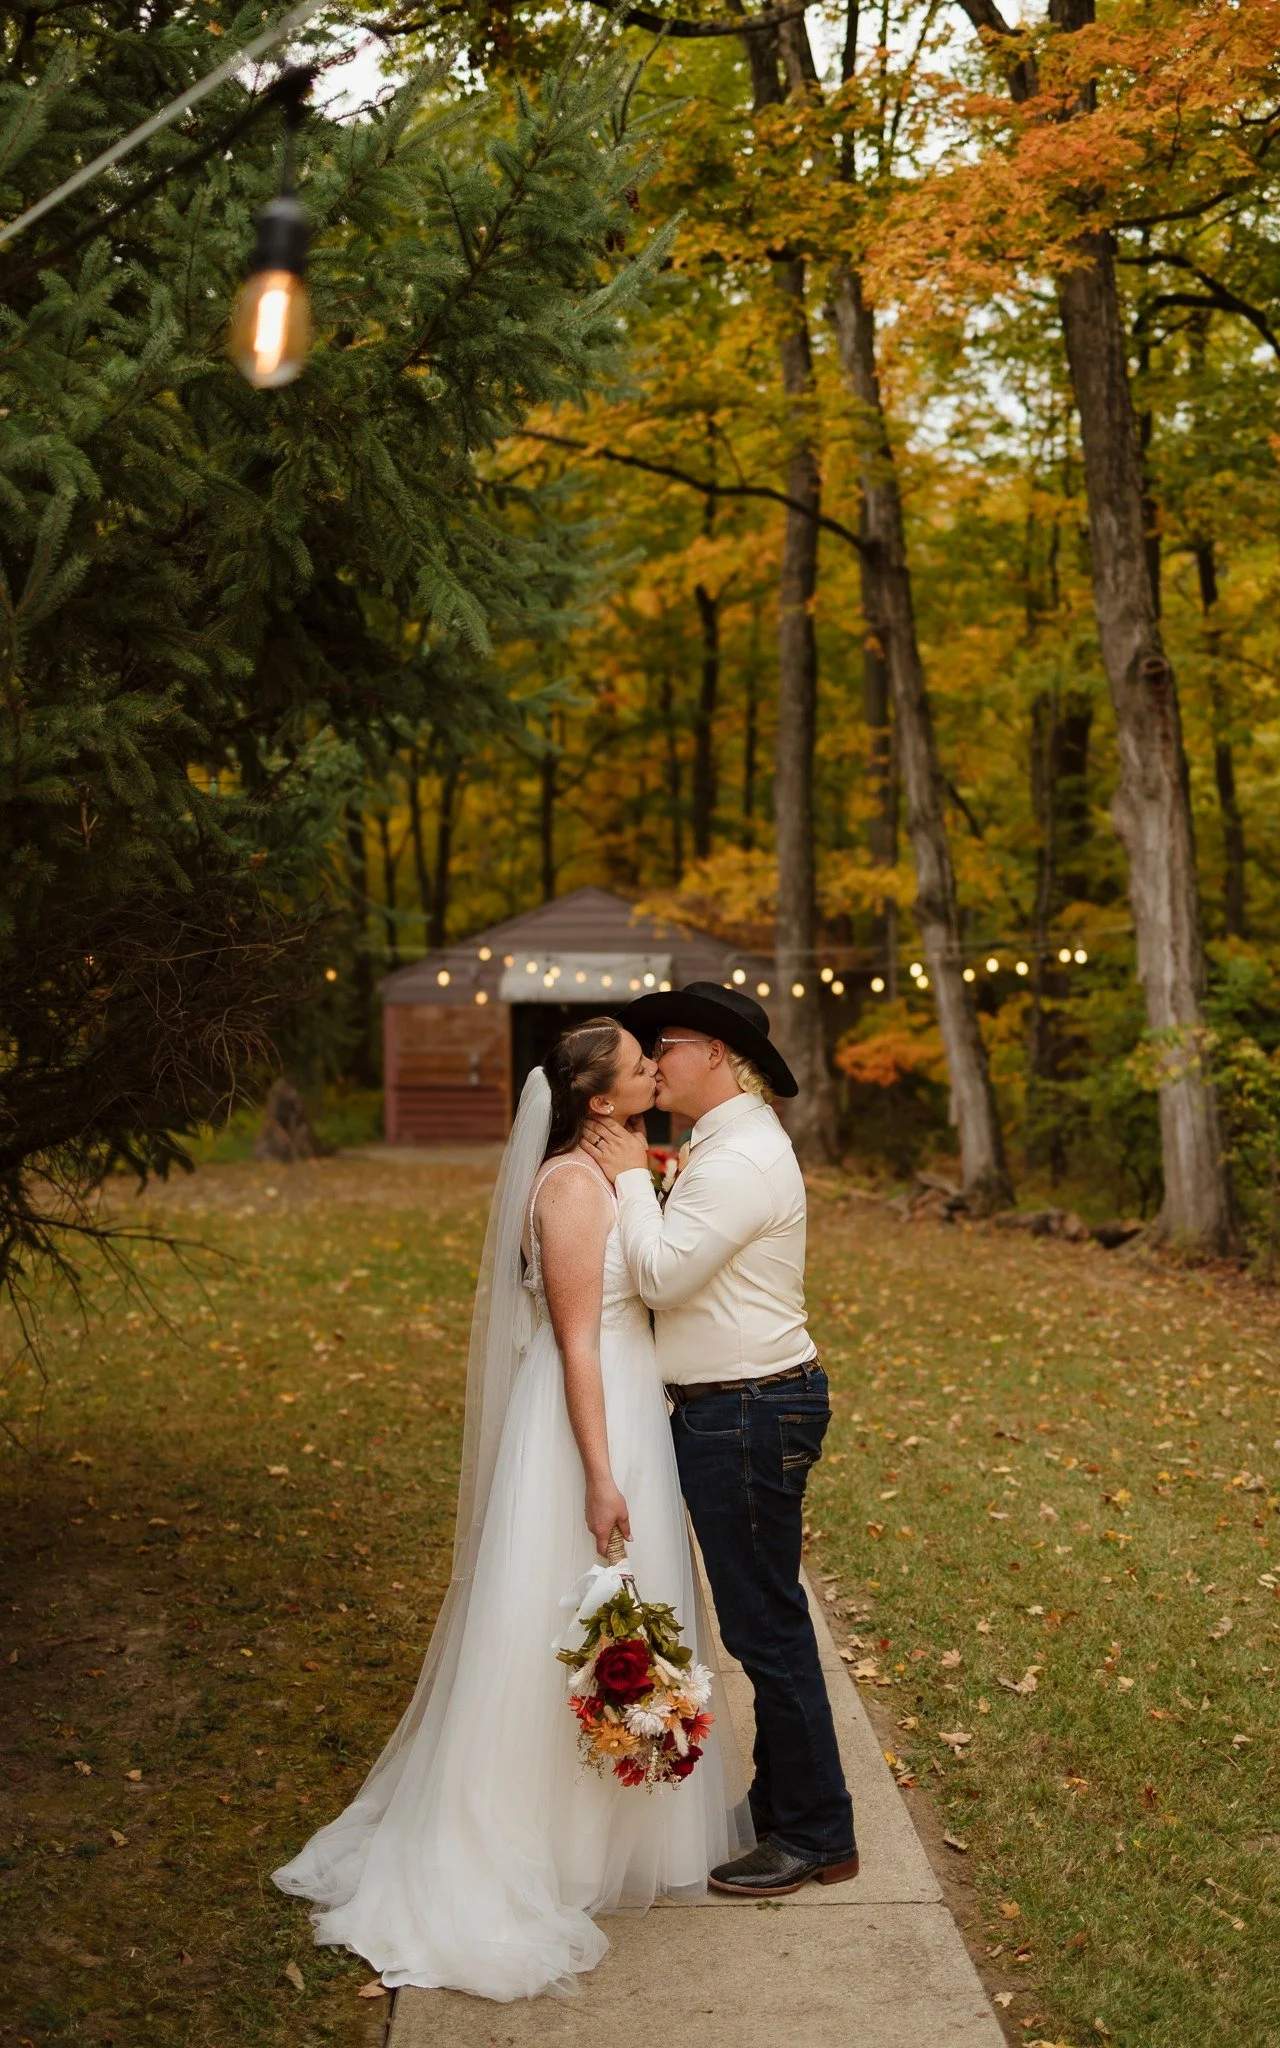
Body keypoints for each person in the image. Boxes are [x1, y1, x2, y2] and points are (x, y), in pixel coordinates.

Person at [273, 1020, 749, 2000]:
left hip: (628, 1406)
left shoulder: (614, 1167)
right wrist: (598, 1473)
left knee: (629, 1610)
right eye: (636, 1065)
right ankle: (548, 1844)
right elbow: (578, 1341)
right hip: (590, 1420)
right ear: (597, 1100)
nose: (655, 1068)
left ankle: (620, 1830)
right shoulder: (571, 1186)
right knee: (568, 1609)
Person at [587, 982, 858, 1898]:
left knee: (766, 1631)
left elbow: (662, 1276)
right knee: (765, 1620)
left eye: (667, 1044)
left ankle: (817, 1833)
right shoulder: (722, 1143)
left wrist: (628, 1174)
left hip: (747, 1410)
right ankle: (788, 1806)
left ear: (717, 1054)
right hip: (740, 1404)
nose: (655, 1060)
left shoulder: (742, 1158)